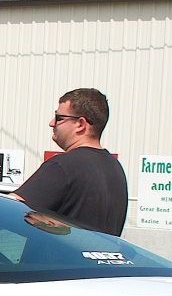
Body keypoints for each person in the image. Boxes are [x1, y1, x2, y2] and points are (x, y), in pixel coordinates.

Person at [11, 87, 128, 235]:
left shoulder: (62, 166)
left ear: (80, 124)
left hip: (55, 258)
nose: (51, 123)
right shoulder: (116, 169)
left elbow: (7, 212)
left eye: (59, 118)